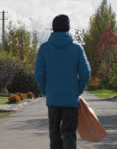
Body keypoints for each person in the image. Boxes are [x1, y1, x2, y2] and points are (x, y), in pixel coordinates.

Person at [35, 14, 91, 149]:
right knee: (69, 133)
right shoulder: (77, 48)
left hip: (53, 98)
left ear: (53, 28)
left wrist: (45, 91)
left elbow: (39, 74)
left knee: (54, 133)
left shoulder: (44, 48)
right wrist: (77, 90)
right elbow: (86, 73)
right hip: (70, 99)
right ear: (68, 27)